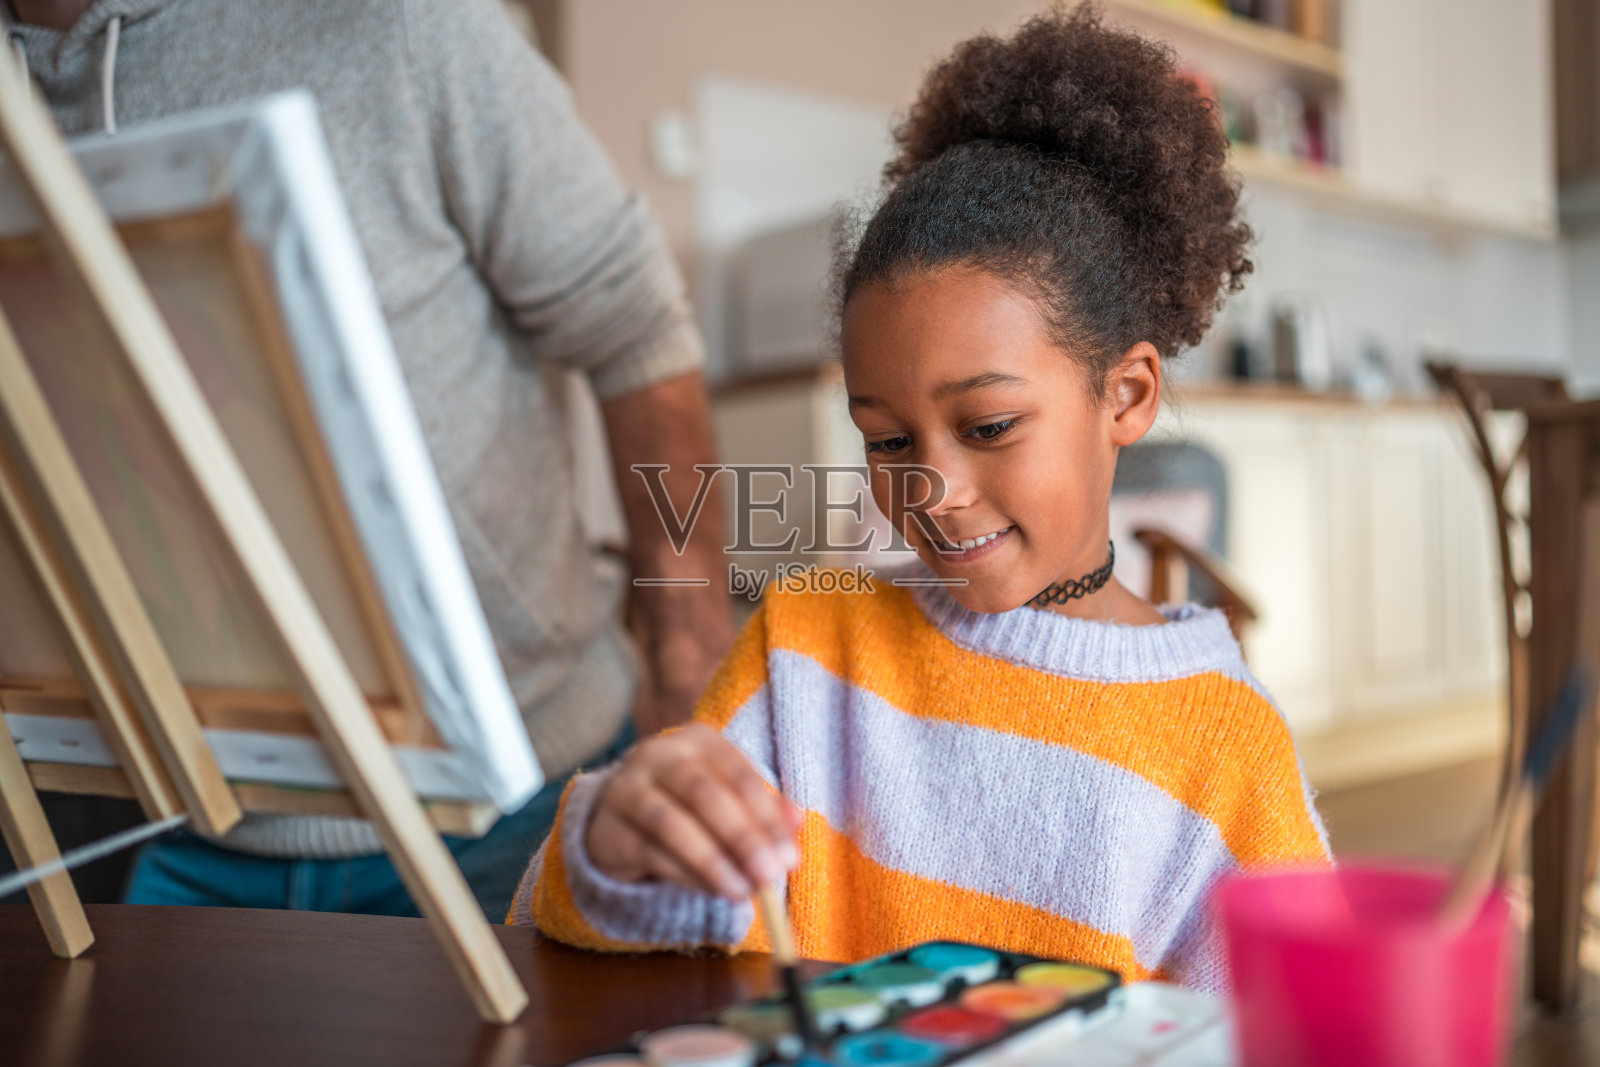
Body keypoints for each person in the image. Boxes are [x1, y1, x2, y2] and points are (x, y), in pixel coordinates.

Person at [511, 5, 1329, 992]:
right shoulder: (805, 646)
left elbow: (1296, 1024)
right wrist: (614, 840)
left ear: (1126, 394)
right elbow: (615, 922)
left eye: (987, 427)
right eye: (887, 439)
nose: (929, 490)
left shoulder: (1224, 745)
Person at [2, 0, 733, 919]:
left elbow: (636, 331)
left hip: (524, 798)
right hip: (139, 812)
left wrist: (690, 672)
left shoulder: (408, 24)